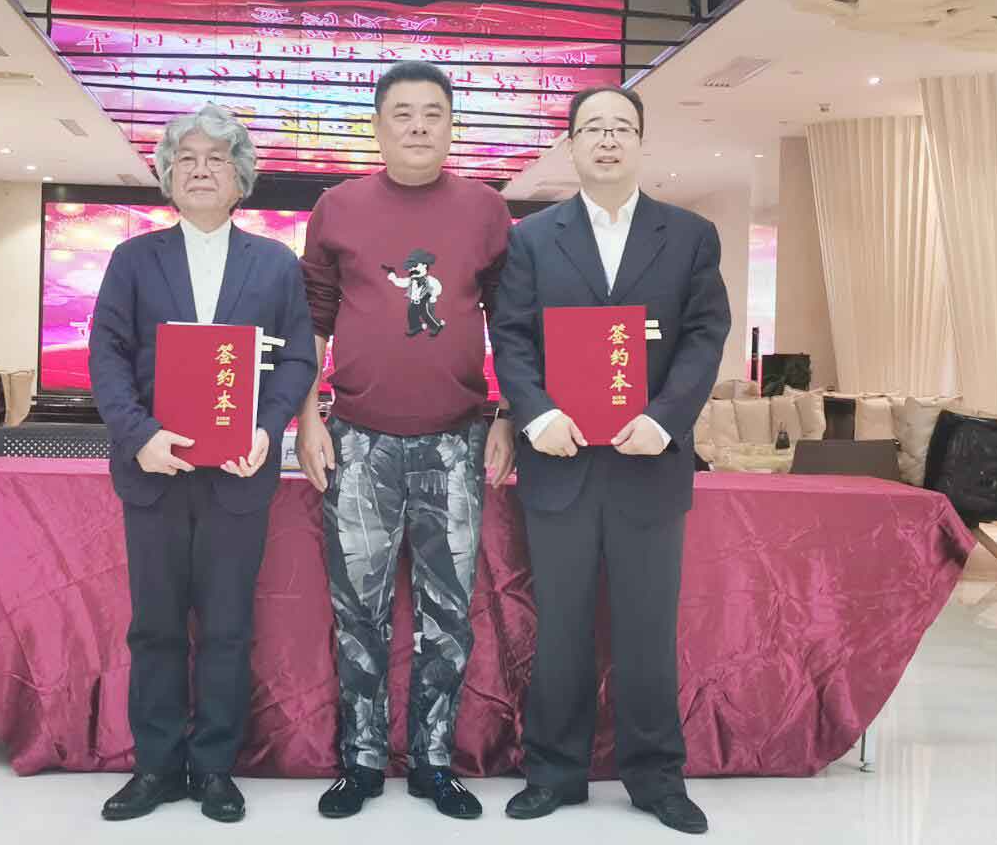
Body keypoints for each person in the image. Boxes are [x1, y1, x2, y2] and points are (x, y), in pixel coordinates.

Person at [490, 85, 730, 834]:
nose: (606, 139)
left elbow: (705, 335)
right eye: (592, 128)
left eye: (621, 127)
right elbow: (511, 335)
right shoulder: (532, 238)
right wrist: (536, 414)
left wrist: (665, 419)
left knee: (646, 629)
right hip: (558, 460)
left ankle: (656, 777)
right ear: (570, 145)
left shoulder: (688, 235)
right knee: (559, 627)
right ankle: (553, 772)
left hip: (648, 461)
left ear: (640, 142)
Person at [296, 60, 516, 820]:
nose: (418, 126)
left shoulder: (486, 210)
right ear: (378, 126)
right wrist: (306, 416)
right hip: (357, 440)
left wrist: (508, 416)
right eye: (402, 113)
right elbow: (312, 319)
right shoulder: (337, 207)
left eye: (432, 113)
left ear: (451, 125)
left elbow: (511, 324)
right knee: (357, 610)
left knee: (447, 612)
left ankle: (432, 761)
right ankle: (359, 761)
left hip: (457, 441)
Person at [89, 103, 317, 823]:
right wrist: (139, 436)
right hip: (153, 472)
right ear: (166, 175)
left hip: (238, 475)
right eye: (184, 158)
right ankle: (156, 767)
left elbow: (299, 359)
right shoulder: (134, 260)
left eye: (216, 158)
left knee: (226, 626)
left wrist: (268, 428)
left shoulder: (274, 264)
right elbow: (106, 356)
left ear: (240, 177)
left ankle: (215, 767)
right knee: (155, 626)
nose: (199, 170)